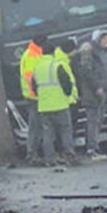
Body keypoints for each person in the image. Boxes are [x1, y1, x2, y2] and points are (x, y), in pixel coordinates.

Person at [30, 38, 79, 167]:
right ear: (53, 53)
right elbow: (66, 84)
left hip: (44, 106)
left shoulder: (37, 68)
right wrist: (67, 95)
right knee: (65, 131)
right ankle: (69, 155)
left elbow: (34, 87)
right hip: (60, 104)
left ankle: (49, 159)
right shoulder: (57, 66)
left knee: (48, 134)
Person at [75, 30, 107, 159]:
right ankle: (92, 149)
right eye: (103, 39)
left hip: (103, 90)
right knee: (92, 121)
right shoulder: (89, 53)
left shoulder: (106, 53)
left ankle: (95, 146)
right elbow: (87, 72)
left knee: (99, 121)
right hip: (93, 93)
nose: (106, 42)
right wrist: (97, 86)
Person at [20, 34, 48, 164]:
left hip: (36, 96)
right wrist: (38, 91)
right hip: (34, 97)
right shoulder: (32, 55)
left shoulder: (34, 53)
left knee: (38, 125)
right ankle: (32, 154)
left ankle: (35, 153)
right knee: (35, 126)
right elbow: (30, 77)